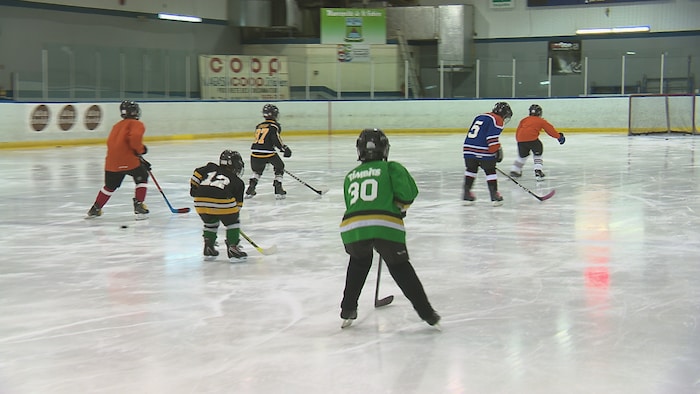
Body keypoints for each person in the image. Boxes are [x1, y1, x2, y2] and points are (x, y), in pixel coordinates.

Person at [339, 128, 440, 329]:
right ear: (385, 149)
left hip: (352, 229)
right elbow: (408, 194)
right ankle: (427, 313)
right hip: (385, 226)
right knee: (400, 267)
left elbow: (354, 205)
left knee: (358, 263)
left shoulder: (351, 175)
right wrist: (399, 208)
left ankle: (348, 309)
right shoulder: (391, 168)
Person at [86, 100, 150, 220]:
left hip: (112, 163)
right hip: (129, 161)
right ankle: (139, 204)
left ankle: (96, 208)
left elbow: (113, 144)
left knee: (109, 186)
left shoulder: (116, 126)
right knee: (142, 176)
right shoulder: (137, 124)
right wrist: (141, 150)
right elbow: (135, 139)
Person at [190, 150, 247, 261]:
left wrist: (194, 188)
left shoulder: (211, 167)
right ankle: (233, 248)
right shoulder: (238, 182)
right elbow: (237, 206)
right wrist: (231, 222)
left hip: (199, 201)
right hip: (222, 200)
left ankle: (208, 247)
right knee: (233, 223)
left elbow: (197, 173)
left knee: (210, 222)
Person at [462, 101, 512, 207]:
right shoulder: (497, 120)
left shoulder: (480, 116)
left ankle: (466, 194)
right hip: (483, 149)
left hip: (468, 148)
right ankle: (494, 195)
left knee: (471, 169)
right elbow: (491, 139)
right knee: (490, 171)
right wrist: (496, 151)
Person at [245, 104, 292, 200]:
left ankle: (251, 188)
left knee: (257, 171)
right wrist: (284, 148)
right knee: (280, 167)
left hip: (254, 152)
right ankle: (278, 188)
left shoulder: (259, 126)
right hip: (268, 152)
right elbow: (276, 139)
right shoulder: (274, 126)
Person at [509, 104, 566, 181]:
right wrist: (559, 137)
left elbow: (519, 130)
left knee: (522, 156)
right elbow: (550, 130)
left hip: (521, 140)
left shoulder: (524, 120)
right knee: (538, 154)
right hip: (533, 140)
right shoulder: (541, 121)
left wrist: (519, 141)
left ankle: (515, 170)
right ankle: (538, 170)